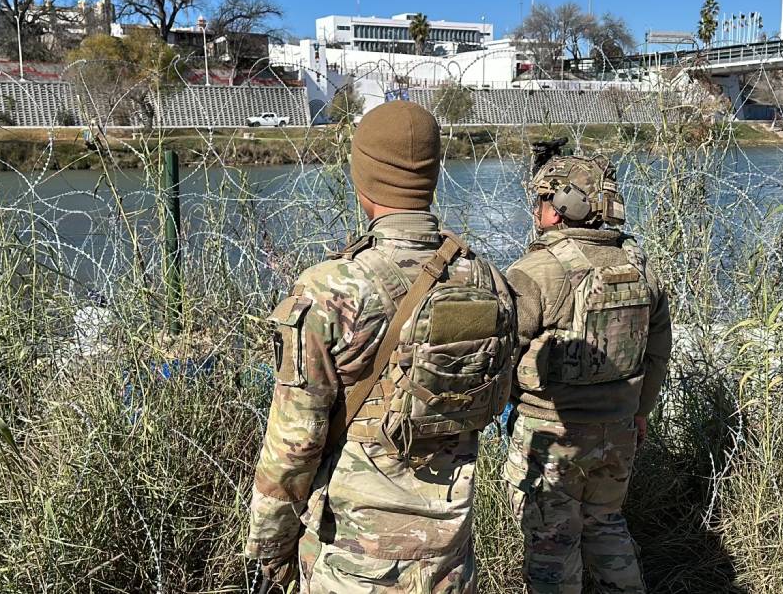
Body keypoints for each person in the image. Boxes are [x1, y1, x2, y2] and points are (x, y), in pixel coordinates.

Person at [245, 100, 518, 593]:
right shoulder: (488, 281)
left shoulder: (331, 290)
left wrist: (269, 552)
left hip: (357, 561)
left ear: (362, 177)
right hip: (450, 555)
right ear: (432, 176)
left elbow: (292, 448)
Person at [504, 146, 672, 594]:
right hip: (618, 429)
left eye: (541, 200)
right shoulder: (639, 265)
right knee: (607, 527)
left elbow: (501, 351)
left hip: (552, 434)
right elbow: (657, 353)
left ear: (559, 208)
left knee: (552, 545)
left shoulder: (536, 271)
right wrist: (640, 412)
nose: (537, 209)